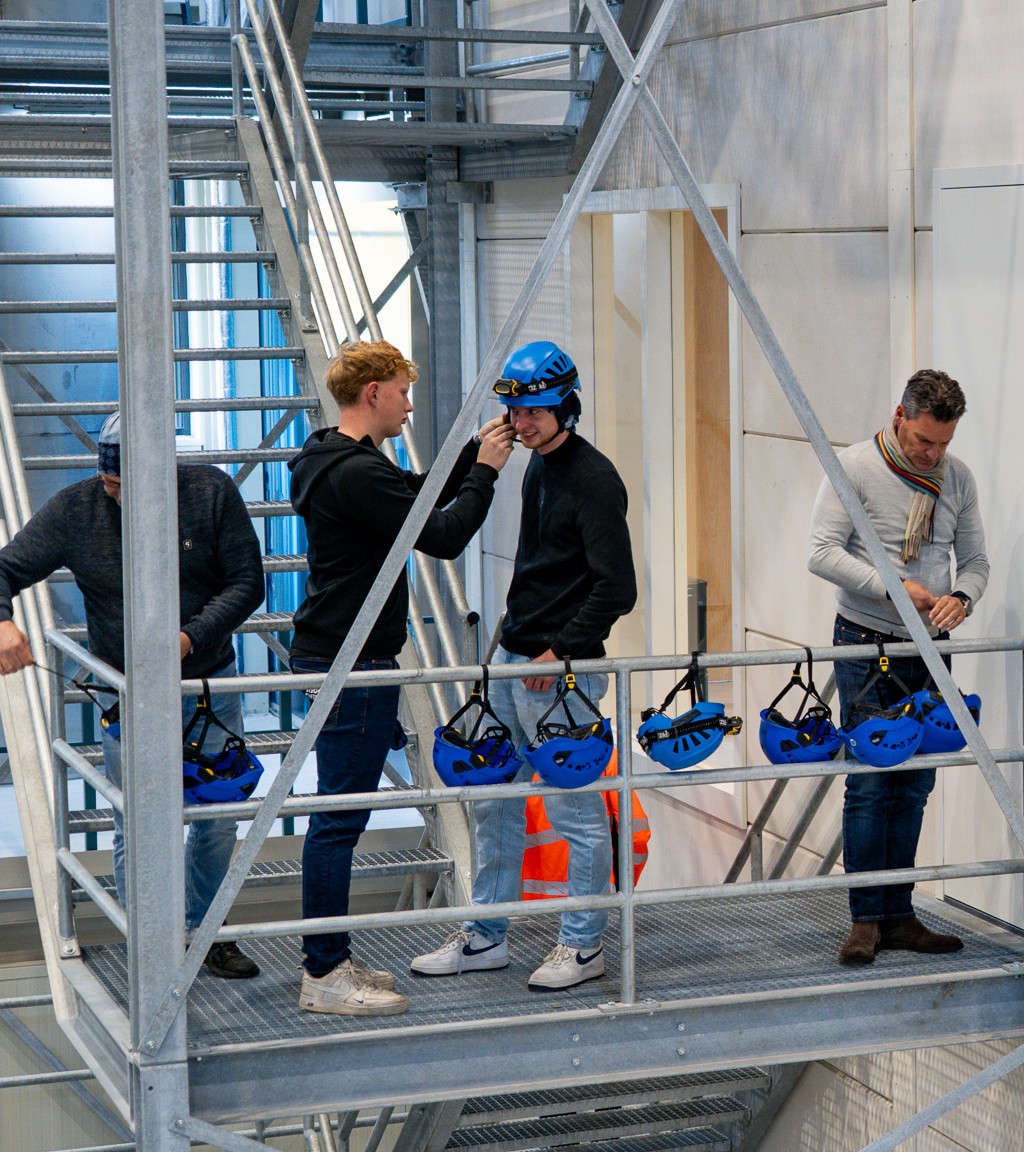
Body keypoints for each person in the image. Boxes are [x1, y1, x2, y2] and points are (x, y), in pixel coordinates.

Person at [289, 340, 515, 1016]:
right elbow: (441, 534)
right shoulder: (357, 473)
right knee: (339, 820)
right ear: (373, 394)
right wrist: (486, 474)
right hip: (352, 662)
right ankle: (324, 973)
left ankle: (330, 957)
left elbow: (413, 495)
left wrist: (468, 456)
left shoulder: (332, 457)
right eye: (402, 392)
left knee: (338, 815)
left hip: (339, 654)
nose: (409, 406)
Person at [0, 414, 264, 979]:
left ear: (163, 474)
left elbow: (248, 583)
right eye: (108, 483)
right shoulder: (77, 509)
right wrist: (1, 622)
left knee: (218, 818)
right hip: (126, 695)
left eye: (126, 486)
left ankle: (204, 933)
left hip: (206, 687)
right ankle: (154, 949)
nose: (114, 495)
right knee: (138, 824)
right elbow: (3, 570)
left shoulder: (211, 493)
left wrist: (188, 638)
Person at [411, 341, 636, 991]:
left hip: (560, 672)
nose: (521, 423)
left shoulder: (594, 479)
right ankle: (486, 934)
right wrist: (510, 650)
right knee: (495, 803)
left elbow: (617, 588)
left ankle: (583, 946)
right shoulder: (538, 465)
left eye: (534, 411)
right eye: (514, 411)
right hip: (514, 659)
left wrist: (560, 651)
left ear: (566, 407)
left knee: (575, 814)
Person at [807, 369, 988, 966]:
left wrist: (962, 597)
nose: (933, 454)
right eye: (923, 441)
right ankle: (866, 920)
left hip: (930, 645)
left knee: (914, 782)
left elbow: (976, 561)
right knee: (869, 782)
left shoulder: (957, 478)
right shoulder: (855, 467)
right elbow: (821, 553)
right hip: (866, 641)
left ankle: (899, 914)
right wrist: (892, 586)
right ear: (898, 417)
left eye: (943, 443)